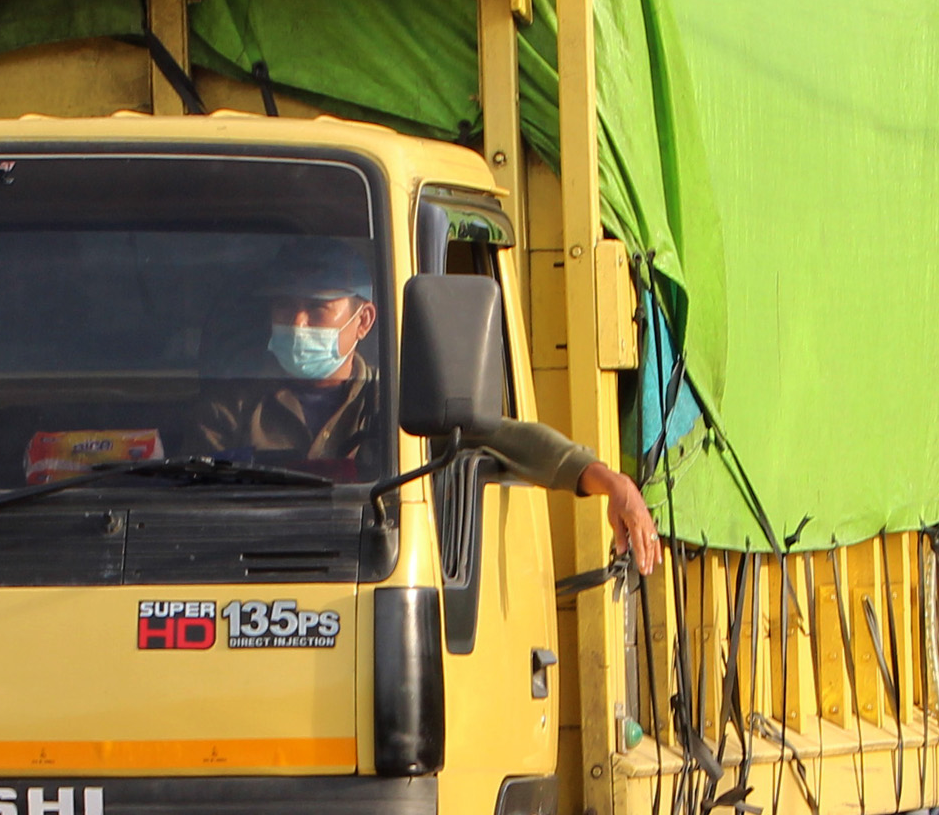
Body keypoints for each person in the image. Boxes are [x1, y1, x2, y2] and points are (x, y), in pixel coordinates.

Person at [188, 244, 664, 573]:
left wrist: (614, 484)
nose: (296, 323)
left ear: (363, 320)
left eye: (316, 310)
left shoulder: (399, 404)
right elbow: (192, 502)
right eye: (283, 307)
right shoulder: (232, 407)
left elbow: (510, 438)